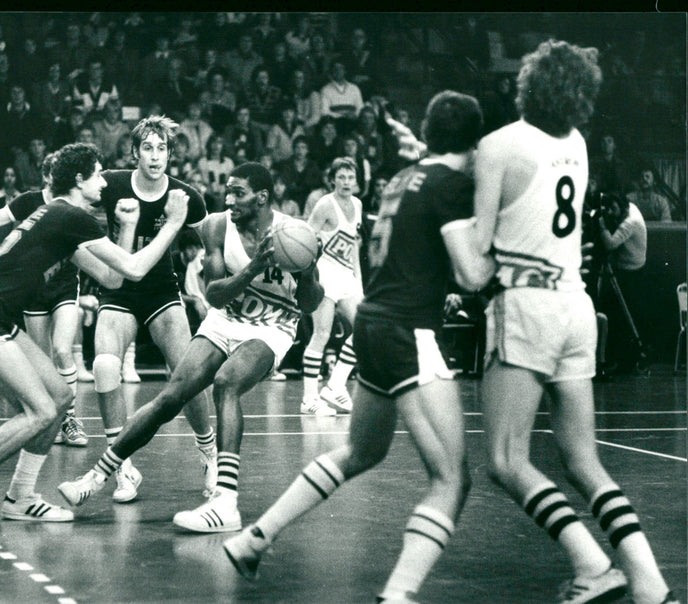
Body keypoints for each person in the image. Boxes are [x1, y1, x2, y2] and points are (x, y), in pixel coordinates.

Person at [222, 92, 494, 602]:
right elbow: (472, 274)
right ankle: (398, 594)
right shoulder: (449, 184)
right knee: (452, 479)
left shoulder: (399, 180)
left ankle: (255, 537)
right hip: (408, 331)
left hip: (373, 321)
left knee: (361, 451)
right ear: (473, 142)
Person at [472, 40, 676, 604]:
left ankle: (591, 563)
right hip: (577, 307)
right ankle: (650, 582)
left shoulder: (498, 145)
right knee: (583, 460)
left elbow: (478, 250)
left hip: (527, 304)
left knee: (506, 460)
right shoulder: (579, 143)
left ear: (528, 84)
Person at [0, 141, 192, 536]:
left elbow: (111, 278)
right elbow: (135, 269)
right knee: (37, 409)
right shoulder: (69, 215)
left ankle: (20, 498)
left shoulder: (62, 218)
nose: (105, 183)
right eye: (99, 175)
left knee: (59, 396)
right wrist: (173, 223)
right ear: (79, 180)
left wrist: (130, 226)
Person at [57, 162, 325, 534]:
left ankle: (226, 503)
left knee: (227, 382)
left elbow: (309, 303)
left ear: (262, 198)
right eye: (227, 190)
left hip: (273, 324)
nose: (229, 198)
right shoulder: (218, 226)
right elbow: (215, 295)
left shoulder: (296, 234)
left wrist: (309, 270)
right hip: (226, 316)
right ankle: (99, 475)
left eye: (239, 193)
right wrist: (252, 269)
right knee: (172, 396)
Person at [89, 115, 217, 504]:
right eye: (148, 147)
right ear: (134, 152)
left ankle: (209, 455)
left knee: (188, 374)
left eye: (162, 148)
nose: (155, 155)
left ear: (170, 154)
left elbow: (216, 240)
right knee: (105, 366)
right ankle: (121, 467)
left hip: (161, 289)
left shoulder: (186, 197)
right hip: (118, 289)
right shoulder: (109, 184)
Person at [0, 153, 88, 446]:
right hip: (33, 290)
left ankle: (70, 418)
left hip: (64, 285)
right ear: (47, 176)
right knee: (41, 360)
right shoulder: (29, 201)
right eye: (54, 172)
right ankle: (52, 417)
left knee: (63, 350)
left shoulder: (76, 204)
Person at [301, 157, 365, 416]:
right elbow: (303, 239)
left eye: (351, 177)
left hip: (347, 277)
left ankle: (336, 384)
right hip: (324, 275)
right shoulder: (325, 205)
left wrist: (358, 280)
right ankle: (309, 398)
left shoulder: (358, 204)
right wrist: (308, 279)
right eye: (342, 177)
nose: (347, 182)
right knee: (321, 334)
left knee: (365, 330)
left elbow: (353, 246)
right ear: (333, 179)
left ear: (356, 181)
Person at [597, 193, 649, 373]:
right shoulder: (629, 208)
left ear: (623, 207)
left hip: (631, 272)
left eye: (613, 209)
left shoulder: (631, 222)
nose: (610, 213)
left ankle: (623, 360)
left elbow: (610, 244)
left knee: (622, 317)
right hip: (626, 266)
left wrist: (602, 226)